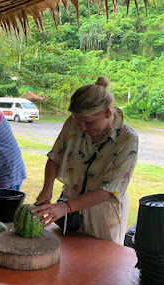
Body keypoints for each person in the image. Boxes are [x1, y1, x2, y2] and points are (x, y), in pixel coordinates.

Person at [32, 77, 138, 244]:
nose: (81, 128)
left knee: (100, 264)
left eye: (88, 123)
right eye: (78, 122)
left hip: (103, 211)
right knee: (68, 256)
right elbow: (55, 157)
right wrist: (47, 189)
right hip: (69, 203)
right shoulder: (75, 122)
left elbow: (109, 190)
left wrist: (65, 207)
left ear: (107, 113)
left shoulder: (128, 139)